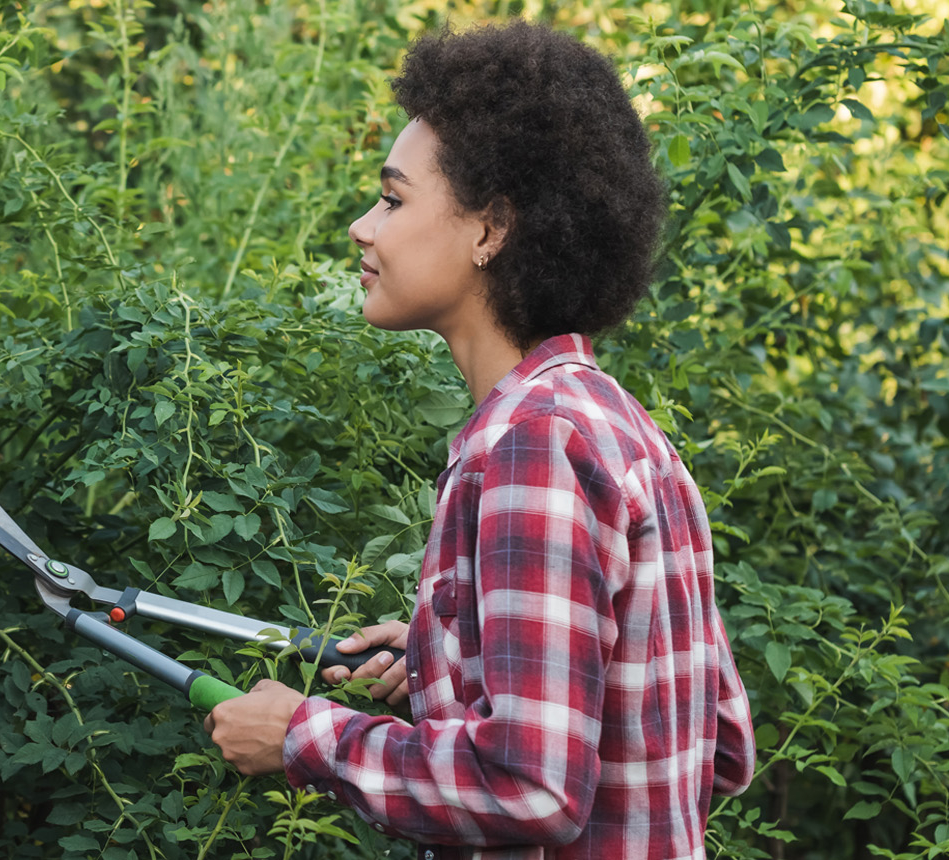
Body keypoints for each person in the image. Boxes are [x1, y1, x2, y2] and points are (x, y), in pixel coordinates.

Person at [202, 22, 757, 859]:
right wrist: (446, 652)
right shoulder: (619, 426)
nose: (362, 227)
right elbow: (719, 742)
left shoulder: (530, 449)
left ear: (491, 229)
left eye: (392, 198)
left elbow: (529, 786)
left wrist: (302, 735)